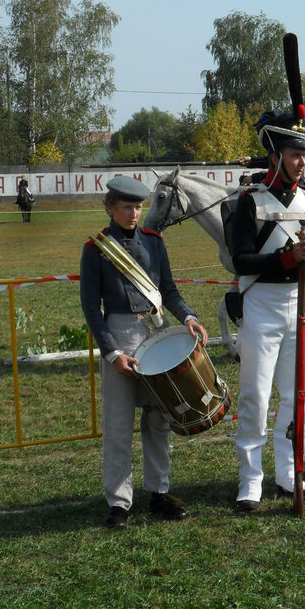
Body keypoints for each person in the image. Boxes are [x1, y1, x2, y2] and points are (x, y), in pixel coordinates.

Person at [80, 176, 208, 529]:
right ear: (110, 207)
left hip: (157, 332)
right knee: (118, 425)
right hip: (120, 336)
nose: (134, 213)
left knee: (158, 420)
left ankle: (159, 493)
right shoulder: (95, 250)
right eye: (126, 207)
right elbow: (92, 309)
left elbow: (168, 289)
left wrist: (189, 317)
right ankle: (119, 503)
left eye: (138, 207)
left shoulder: (154, 242)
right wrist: (111, 353)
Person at [230, 109, 305, 511]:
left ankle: (289, 471)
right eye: (295, 153)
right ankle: (250, 479)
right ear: (274, 156)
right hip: (261, 304)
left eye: (304, 154)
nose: (302, 161)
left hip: (301, 304)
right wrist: (285, 259)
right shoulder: (249, 202)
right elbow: (240, 261)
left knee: (299, 395)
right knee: (256, 395)